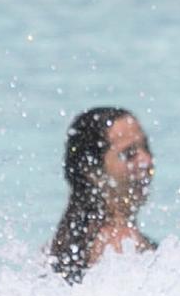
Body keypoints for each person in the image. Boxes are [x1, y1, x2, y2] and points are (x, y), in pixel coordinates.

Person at [47, 106, 157, 282]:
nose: (146, 161)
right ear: (92, 172)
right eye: (129, 154)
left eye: (146, 148)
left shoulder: (63, 244)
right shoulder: (122, 244)